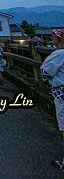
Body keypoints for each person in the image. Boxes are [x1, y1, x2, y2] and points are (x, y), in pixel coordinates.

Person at [40, 29, 64, 170]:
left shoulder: (59, 54)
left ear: (59, 39)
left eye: (54, 38)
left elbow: (45, 72)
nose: (52, 40)